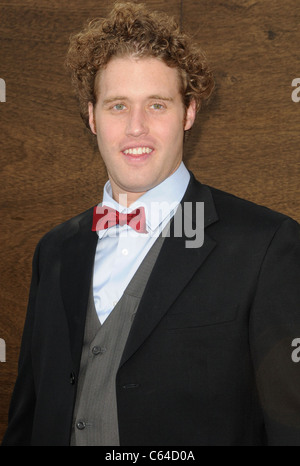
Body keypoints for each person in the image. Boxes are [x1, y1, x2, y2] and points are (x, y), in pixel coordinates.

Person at [2, 1, 300, 446]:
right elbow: (28, 417)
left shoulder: (266, 245)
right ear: (92, 117)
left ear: (189, 113)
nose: (136, 127)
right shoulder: (55, 249)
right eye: (117, 106)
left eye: (157, 105)